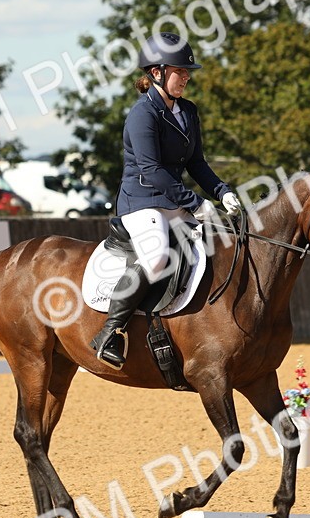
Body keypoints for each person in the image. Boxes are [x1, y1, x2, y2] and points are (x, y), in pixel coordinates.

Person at [90, 32, 242, 370]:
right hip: (142, 201)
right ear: (157, 72)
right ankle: (109, 332)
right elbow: (152, 169)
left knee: (224, 243)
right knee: (157, 257)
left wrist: (222, 191)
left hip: (175, 200)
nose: (186, 76)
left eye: (187, 71)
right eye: (180, 70)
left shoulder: (187, 111)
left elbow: (196, 163)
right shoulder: (142, 115)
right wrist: (195, 203)